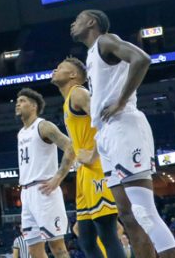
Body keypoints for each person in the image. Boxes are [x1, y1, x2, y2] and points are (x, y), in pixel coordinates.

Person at [71, 10, 175, 258]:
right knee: (127, 215)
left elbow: (141, 59)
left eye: (77, 19)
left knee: (143, 211)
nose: (72, 24)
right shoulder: (91, 54)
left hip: (124, 125)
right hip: (106, 132)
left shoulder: (106, 40)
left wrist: (120, 101)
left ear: (91, 22)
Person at [51, 58, 126, 258]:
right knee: (85, 238)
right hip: (84, 173)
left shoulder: (78, 93)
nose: (55, 69)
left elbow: (104, 120)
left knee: (108, 234)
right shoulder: (68, 102)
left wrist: (93, 153)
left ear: (73, 75)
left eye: (60, 67)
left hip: (97, 167)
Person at [15, 87, 75, 258]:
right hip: (26, 193)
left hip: (44, 191)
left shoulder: (43, 126)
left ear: (33, 106)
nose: (18, 104)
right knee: (34, 250)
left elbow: (70, 147)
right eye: (17, 102)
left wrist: (58, 178)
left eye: (22, 101)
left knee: (57, 247)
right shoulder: (21, 133)